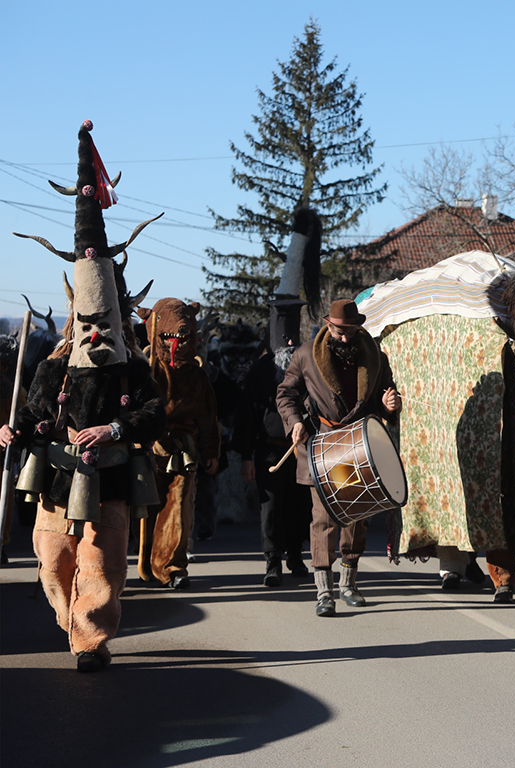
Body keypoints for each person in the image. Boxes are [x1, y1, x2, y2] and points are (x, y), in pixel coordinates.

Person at [1, 120, 166, 671]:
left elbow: (153, 415)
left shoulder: (133, 373)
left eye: (104, 325)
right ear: (77, 323)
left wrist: (114, 429)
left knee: (101, 565)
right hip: (56, 481)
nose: (95, 334)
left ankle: (90, 641)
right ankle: (71, 618)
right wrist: (15, 430)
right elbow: (30, 414)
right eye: (86, 325)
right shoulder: (52, 371)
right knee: (51, 567)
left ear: (116, 324)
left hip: (113, 480)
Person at [276, 299, 401, 616]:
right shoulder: (306, 354)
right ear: (327, 325)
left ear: (359, 327)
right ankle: (324, 592)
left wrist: (389, 406)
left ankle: (348, 584)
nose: (343, 337)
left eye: (349, 331)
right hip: (323, 447)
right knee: (323, 518)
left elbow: (385, 396)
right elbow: (286, 393)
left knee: (357, 517)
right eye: (337, 331)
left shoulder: (375, 355)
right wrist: (296, 423)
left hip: (360, 447)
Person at [136, 298, 221, 589]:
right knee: (147, 508)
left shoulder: (197, 375)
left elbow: (208, 416)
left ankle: (172, 568)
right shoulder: (144, 369)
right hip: (149, 449)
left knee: (179, 510)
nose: (180, 339)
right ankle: (145, 564)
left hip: (184, 450)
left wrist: (211, 450)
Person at [236, 340, 312, 586]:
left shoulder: (310, 365)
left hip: (304, 449)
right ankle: (273, 561)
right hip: (270, 449)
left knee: (302, 505)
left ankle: (296, 555)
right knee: (271, 508)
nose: (290, 343)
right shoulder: (262, 369)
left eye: (294, 339)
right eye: (285, 339)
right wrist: (246, 456)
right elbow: (248, 413)